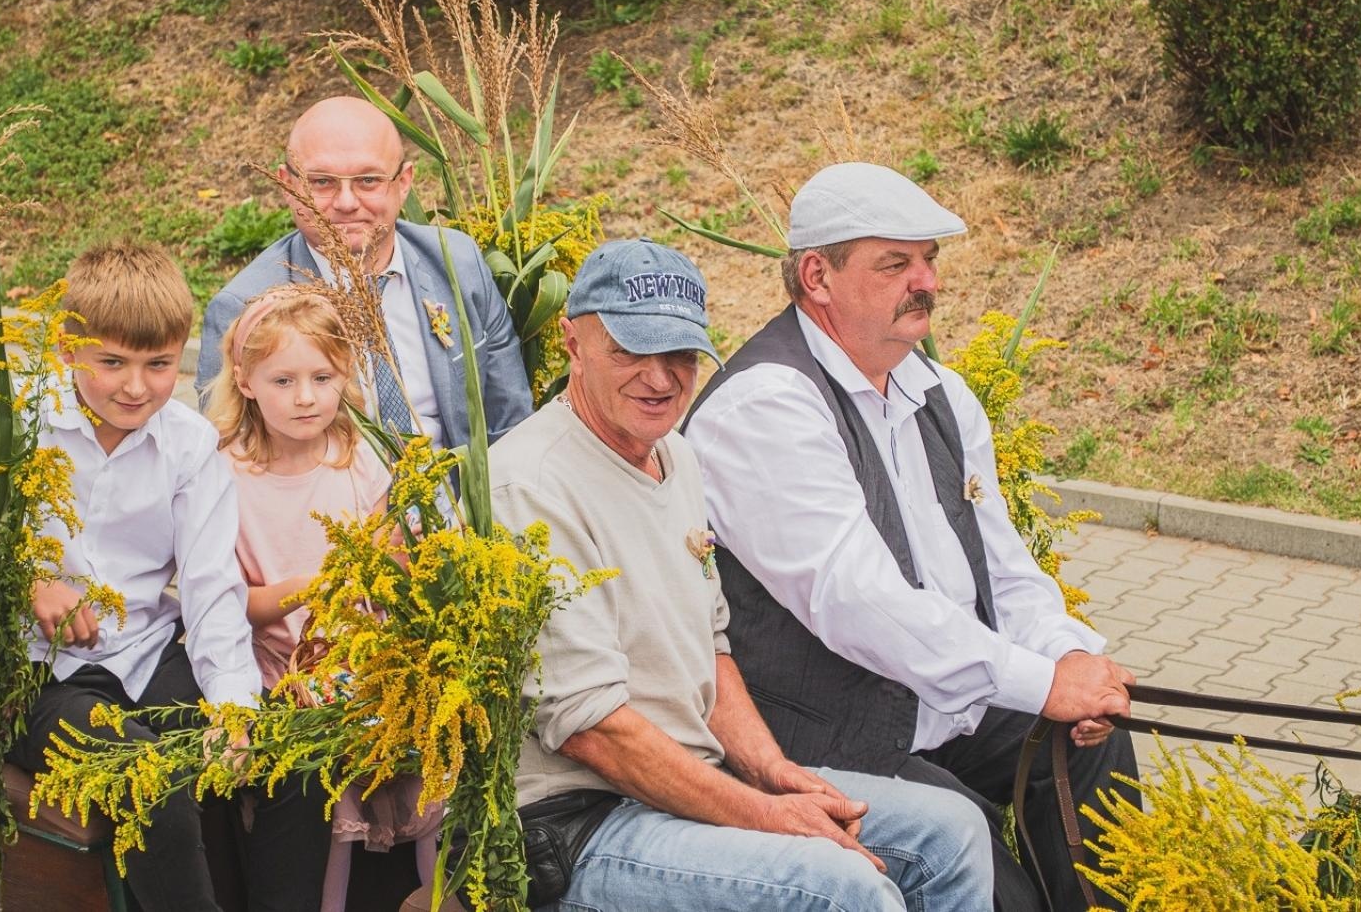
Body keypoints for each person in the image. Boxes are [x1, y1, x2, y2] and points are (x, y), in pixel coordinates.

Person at [684, 163, 1141, 912]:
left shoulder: (941, 394)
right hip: (831, 733)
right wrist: (1039, 682)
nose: (924, 280)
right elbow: (860, 601)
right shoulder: (766, 405)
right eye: (895, 263)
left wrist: (1069, 656)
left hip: (938, 703)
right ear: (816, 276)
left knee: (1096, 748)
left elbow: (1005, 570)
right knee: (1007, 897)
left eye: (928, 259)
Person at [488, 237, 994, 912]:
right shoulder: (529, 485)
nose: (661, 378)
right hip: (585, 819)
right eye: (631, 351)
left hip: (696, 775)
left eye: (680, 355)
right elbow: (595, 729)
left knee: (952, 830)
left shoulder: (676, 453)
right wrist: (769, 816)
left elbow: (713, 647)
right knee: (841, 888)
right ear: (572, 340)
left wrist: (773, 772)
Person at [0, 243, 323, 912]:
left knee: (292, 759)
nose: (136, 386)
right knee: (153, 782)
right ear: (66, 346)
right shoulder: (4, 419)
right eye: (112, 362)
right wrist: (19, 577)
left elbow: (211, 593)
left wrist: (234, 709)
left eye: (159, 364)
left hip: (144, 654)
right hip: (33, 678)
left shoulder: (189, 444)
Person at [204, 286, 440, 912]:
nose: (305, 397)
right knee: (326, 809)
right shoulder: (228, 475)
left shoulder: (360, 459)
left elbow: (398, 557)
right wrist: (296, 592)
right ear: (245, 380)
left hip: (370, 662)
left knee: (432, 779)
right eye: (283, 380)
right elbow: (226, 602)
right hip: (287, 673)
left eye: (322, 377)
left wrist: (390, 566)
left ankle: (439, 894)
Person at [196, 95, 532, 452]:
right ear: (287, 184)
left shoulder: (458, 264)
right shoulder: (245, 307)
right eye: (322, 182)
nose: (345, 202)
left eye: (368, 180)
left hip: (463, 500)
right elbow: (233, 456)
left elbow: (510, 420)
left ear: (403, 182)